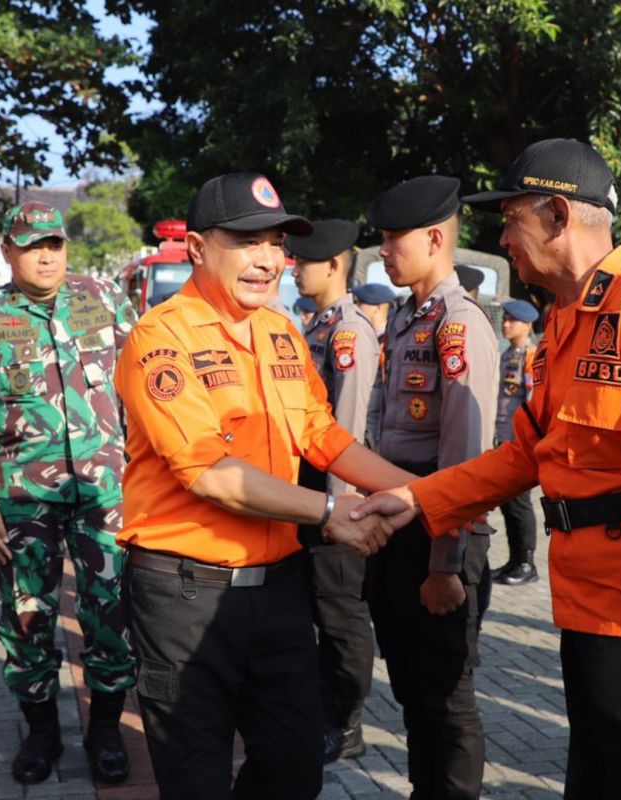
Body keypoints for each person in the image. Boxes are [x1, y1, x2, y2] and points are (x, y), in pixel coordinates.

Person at [358, 138, 621, 799]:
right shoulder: (568, 321)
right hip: (588, 607)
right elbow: (526, 454)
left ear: (559, 216)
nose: (504, 237)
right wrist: (419, 501)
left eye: (512, 218)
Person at [113, 172, 409, 800]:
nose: (269, 259)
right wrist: (329, 511)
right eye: (247, 241)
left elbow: (322, 435)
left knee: (293, 767)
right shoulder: (158, 339)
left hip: (277, 592)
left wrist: (421, 493)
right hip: (184, 598)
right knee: (195, 778)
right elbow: (209, 473)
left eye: (277, 242)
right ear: (196, 248)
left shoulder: (281, 332)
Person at [0, 202, 137, 786]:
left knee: (110, 610)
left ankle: (106, 729)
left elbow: (141, 382)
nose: (46, 255)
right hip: (20, 498)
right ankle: (41, 732)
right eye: (32, 245)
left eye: (55, 244)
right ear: (8, 251)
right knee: (26, 614)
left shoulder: (105, 297)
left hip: (105, 490)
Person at [365, 174, 499, 799]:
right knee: (414, 687)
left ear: (437, 238)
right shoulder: (405, 318)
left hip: (440, 532)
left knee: (447, 696)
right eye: (383, 239)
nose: (384, 251)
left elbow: (464, 457)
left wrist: (446, 563)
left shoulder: (458, 322)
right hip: (401, 523)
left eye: (395, 239)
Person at [287, 219, 381, 762]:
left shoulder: (348, 332)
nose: (293, 269)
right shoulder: (317, 326)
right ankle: (326, 708)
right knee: (321, 612)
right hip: (310, 497)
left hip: (337, 501)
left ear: (333, 265)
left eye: (303, 262)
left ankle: (347, 725)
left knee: (342, 617)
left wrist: (340, 510)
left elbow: (342, 433)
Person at [491, 298, 540, 586]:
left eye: (512, 320)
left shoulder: (531, 357)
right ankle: (514, 560)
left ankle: (527, 562)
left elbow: (533, 406)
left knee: (520, 503)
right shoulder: (508, 354)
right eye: (505, 319)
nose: (506, 324)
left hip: (519, 442)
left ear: (528, 325)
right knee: (508, 503)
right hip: (504, 440)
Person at [352, 283, 397, 444]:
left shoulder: (391, 340)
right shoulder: (366, 336)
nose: (355, 307)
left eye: (360, 303)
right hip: (366, 423)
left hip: (379, 430)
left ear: (377, 308)